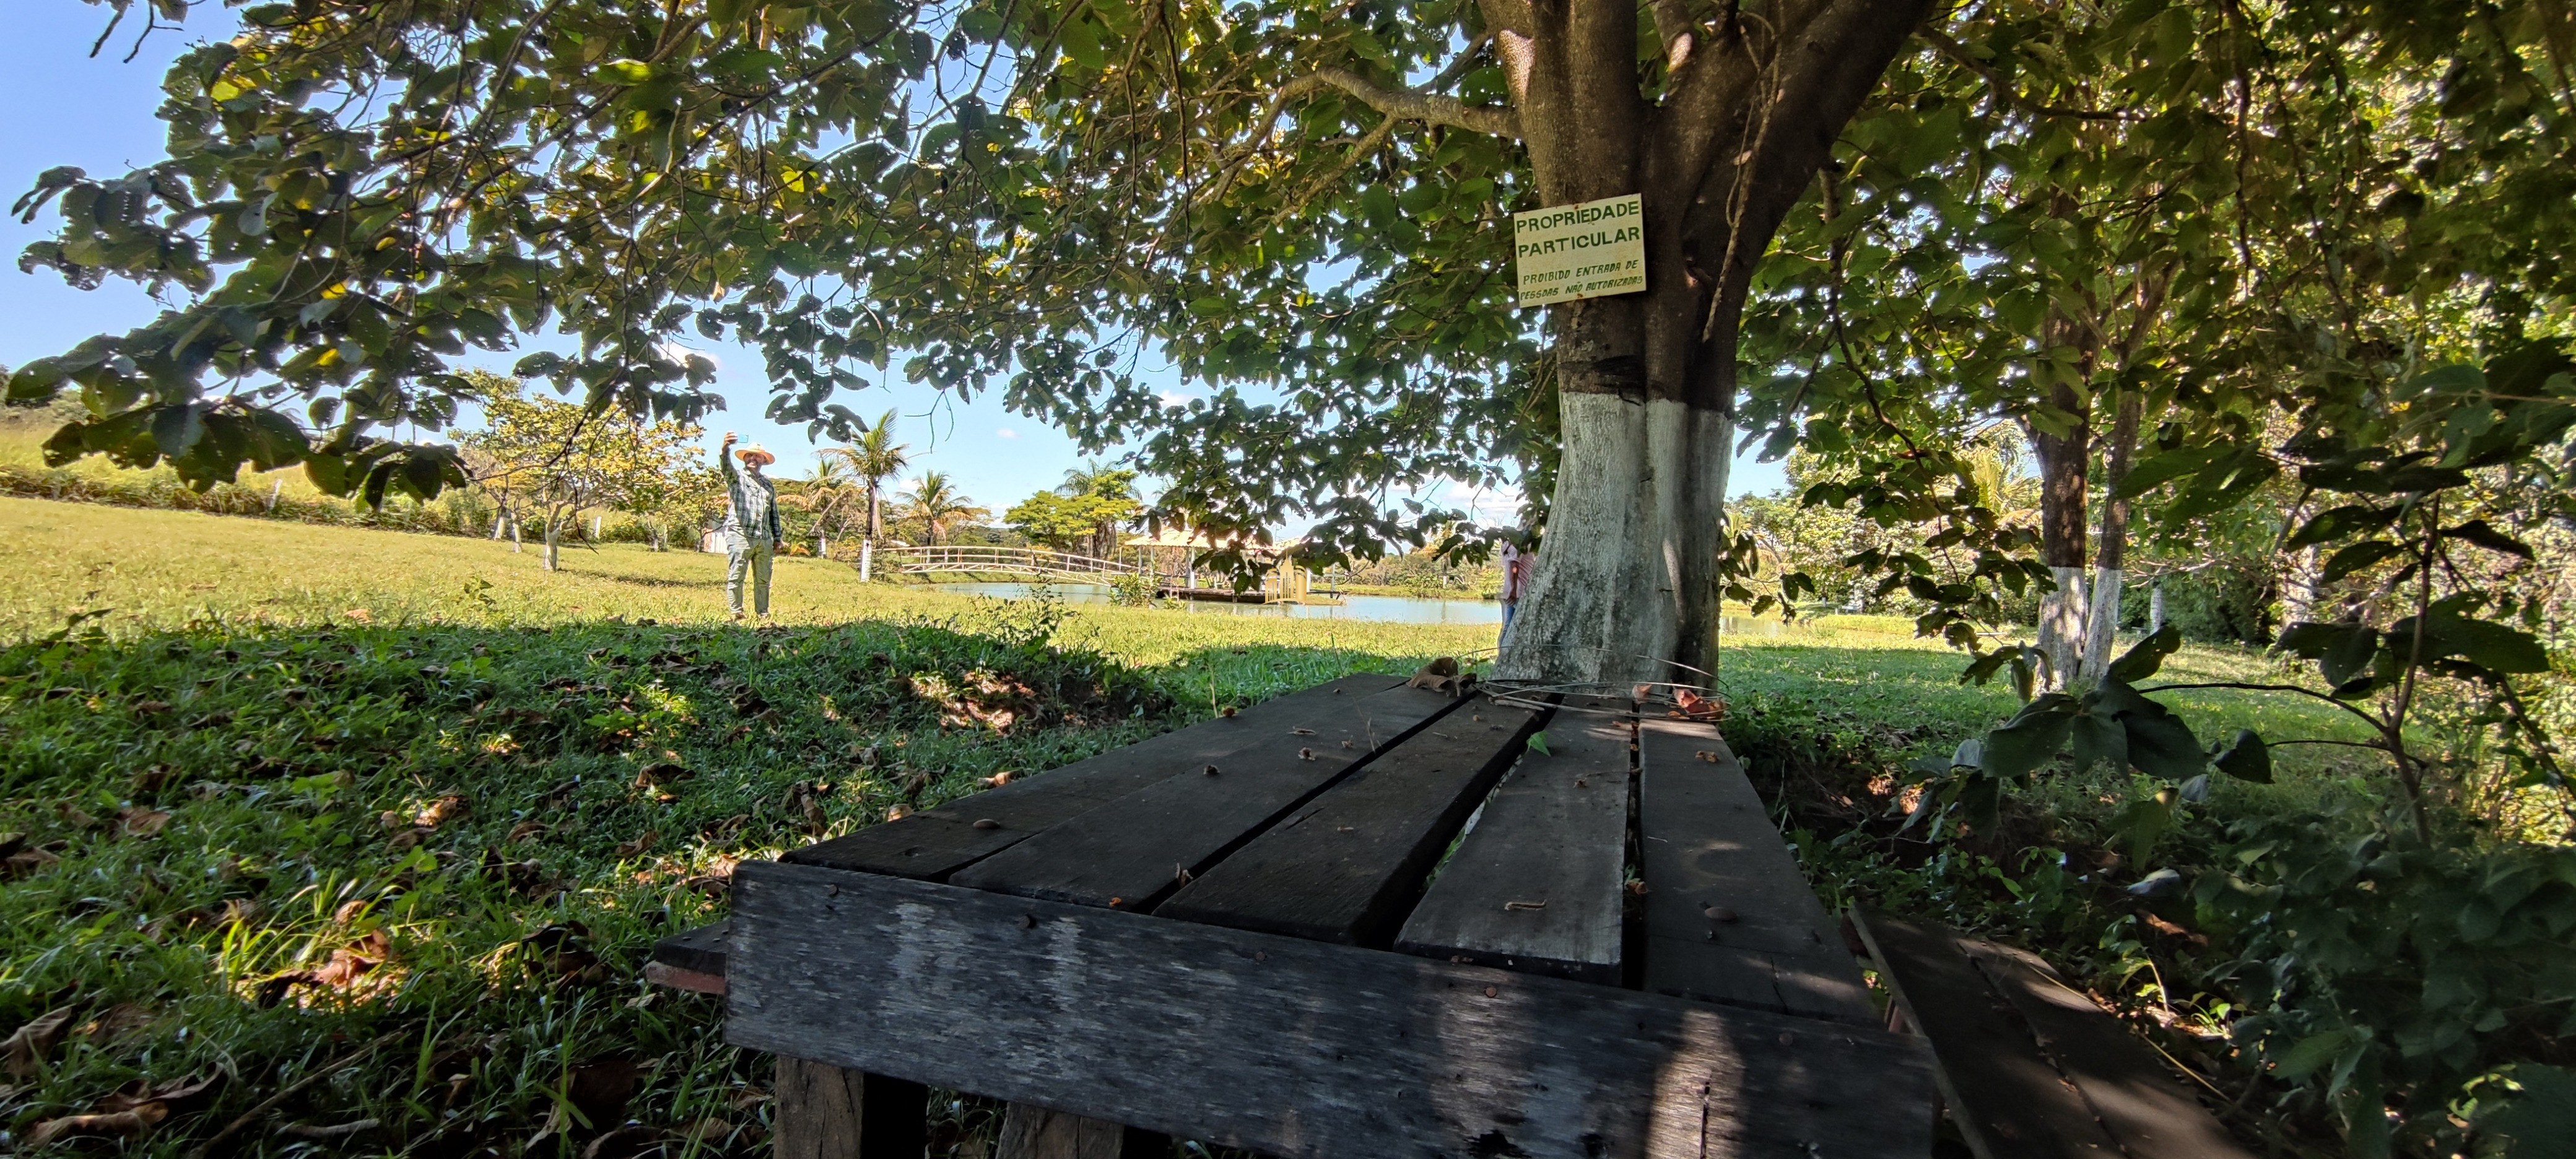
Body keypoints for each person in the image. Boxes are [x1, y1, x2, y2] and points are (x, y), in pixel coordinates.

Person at [718, 433, 783, 622]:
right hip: (740, 534)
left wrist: (777, 538)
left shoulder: (768, 485)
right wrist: (725, 448)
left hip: (763, 538)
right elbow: (725, 466)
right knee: (736, 575)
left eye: (757, 456)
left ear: (763, 460)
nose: (753, 459)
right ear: (745, 459)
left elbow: (774, 513)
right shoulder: (736, 478)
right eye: (749, 455)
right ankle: (737, 612)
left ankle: (763, 613)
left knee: (763, 580)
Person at [1497, 538, 1531, 637]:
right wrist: (1514, 590)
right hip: (1519, 593)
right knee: (1519, 625)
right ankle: (1504, 650)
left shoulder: (1508, 550)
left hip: (1514, 592)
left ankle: (1503, 651)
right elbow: (1514, 567)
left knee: (1509, 625)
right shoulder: (1516, 548)